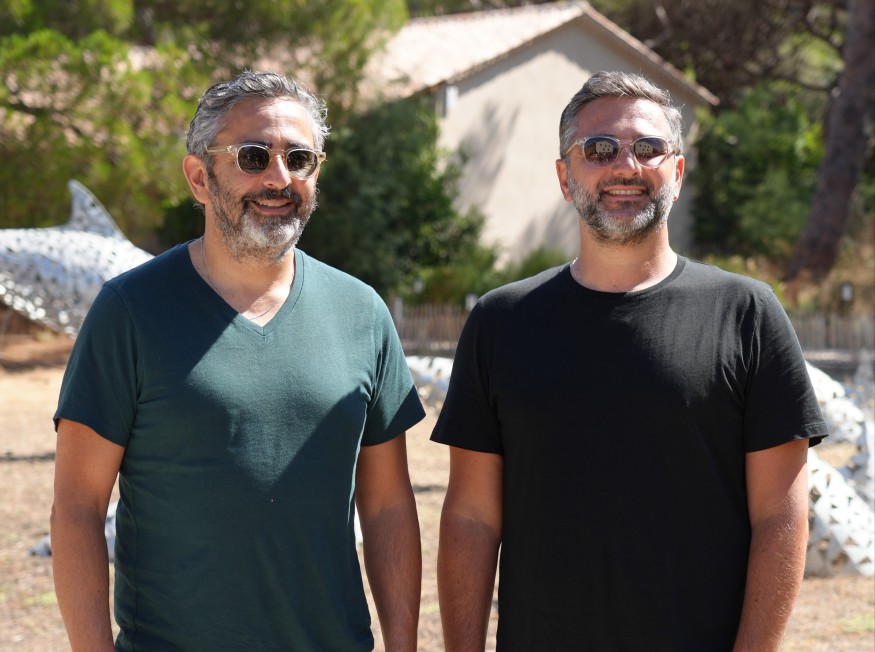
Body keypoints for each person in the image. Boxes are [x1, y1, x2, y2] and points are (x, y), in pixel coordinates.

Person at [431, 70, 828, 651]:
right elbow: (471, 516)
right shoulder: (500, 321)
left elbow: (780, 517)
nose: (625, 166)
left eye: (648, 147)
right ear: (565, 178)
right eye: (598, 149)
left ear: (678, 172)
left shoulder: (747, 313)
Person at [51, 70, 425, 651]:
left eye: (299, 159)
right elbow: (78, 509)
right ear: (200, 177)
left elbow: (388, 508)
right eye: (253, 156)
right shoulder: (129, 312)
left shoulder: (362, 312)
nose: (279, 178)